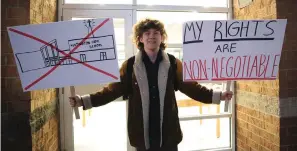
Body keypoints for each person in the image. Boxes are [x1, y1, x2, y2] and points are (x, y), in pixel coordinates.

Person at [69, 18, 233, 151]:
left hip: (168, 133)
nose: (151, 36)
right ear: (140, 39)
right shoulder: (129, 65)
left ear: (162, 38)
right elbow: (111, 91)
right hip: (142, 133)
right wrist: (83, 101)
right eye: (146, 33)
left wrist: (218, 96)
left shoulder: (174, 63)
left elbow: (192, 88)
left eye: (156, 33)